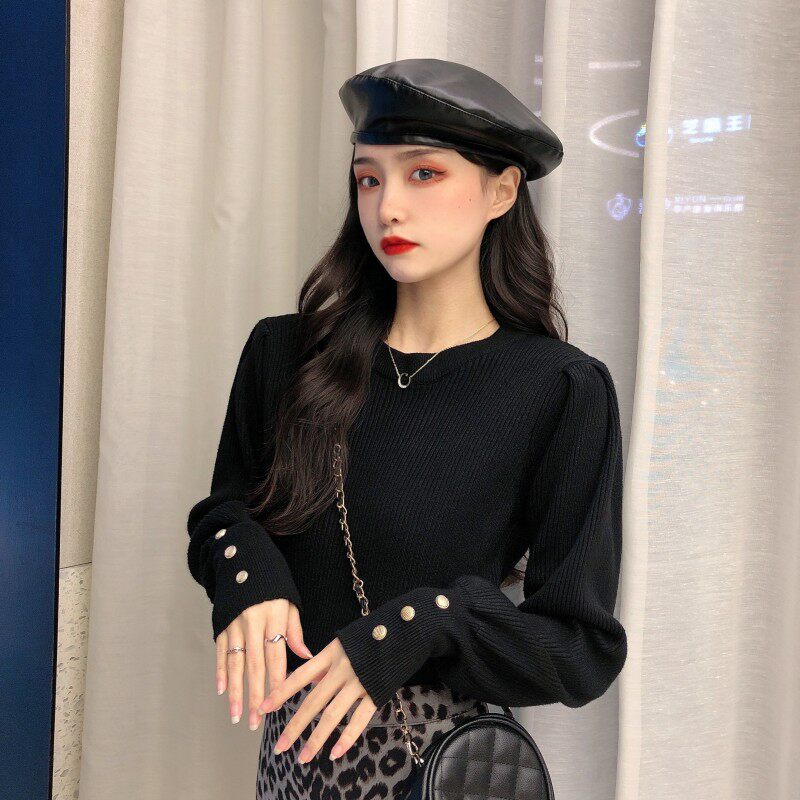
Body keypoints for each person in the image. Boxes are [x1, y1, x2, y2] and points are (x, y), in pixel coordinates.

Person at [186, 57, 627, 798]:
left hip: (445, 765)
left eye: (424, 174)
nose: (388, 206)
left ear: (502, 190)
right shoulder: (286, 354)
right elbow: (226, 511)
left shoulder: (557, 389)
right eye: (369, 179)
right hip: (293, 769)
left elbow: (578, 647)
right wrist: (249, 577)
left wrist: (424, 623)